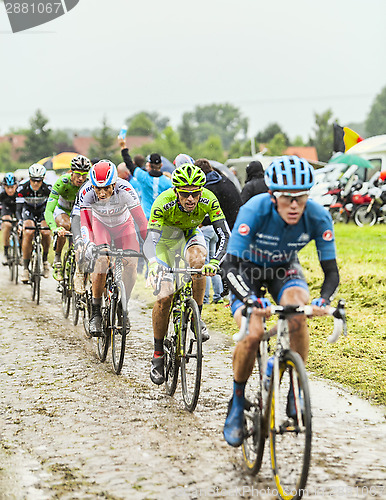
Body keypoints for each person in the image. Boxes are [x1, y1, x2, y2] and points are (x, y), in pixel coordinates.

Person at [222, 156, 339, 447]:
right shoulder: (254, 209)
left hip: (283, 270)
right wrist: (249, 299)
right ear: (273, 196)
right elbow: (230, 265)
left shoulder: (318, 216)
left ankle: (294, 389)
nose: (295, 205)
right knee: (253, 334)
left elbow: (331, 272)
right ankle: (237, 401)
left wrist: (323, 300)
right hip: (245, 270)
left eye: (301, 197)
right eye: (287, 198)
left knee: (298, 311)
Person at [143, 163, 230, 385]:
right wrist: (154, 264)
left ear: (201, 191)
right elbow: (151, 240)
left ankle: (196, 318)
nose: (191, 199)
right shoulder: (163, 202)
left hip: (191, 234)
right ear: (176, 192)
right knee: (165, 296)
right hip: (165, 241)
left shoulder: (209, 199)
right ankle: (158, 354)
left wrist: (214, 261)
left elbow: (224, 235)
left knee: (199, 263)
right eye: (185, 194)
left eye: (195, 194)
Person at [79, 160, 148, 337]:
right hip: (100, 225)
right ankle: (95, 312)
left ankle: (122, 306)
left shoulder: (126, 190)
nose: (101, 193)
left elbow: (141, 223)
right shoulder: (86, 191)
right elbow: (85, 223)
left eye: (106, 188)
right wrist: (88, 244)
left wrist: (150, 247)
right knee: (101, 260)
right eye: (98, 188)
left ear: (115, 184)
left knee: (131, 262)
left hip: (124, 227)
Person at [194, 158, 242, 304]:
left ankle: (216, 296)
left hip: (227, 225)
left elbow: (215, 213)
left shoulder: (209, 187)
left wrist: (202, 222)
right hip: (237, 222)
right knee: (222, 261)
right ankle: (224, 294)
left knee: (212, 262)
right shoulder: (221, 178)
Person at [44, 155, 91, 281]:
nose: (81, 178)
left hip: (79, 212)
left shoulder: (89, 183)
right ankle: (58, 259)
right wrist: (54, 228)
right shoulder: (62, 182)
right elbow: (49, 210)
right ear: (71, 172)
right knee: (65, 225)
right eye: (77, 174)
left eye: (84, 174)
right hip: (63, 210)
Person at [119, 139, 172, 219]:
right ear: (161, 165)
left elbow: (129, 164)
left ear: (149, 165)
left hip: (145, 219)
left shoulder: (143, 177)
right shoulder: (168, 182)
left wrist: (123, 147)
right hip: (161, 219)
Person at [16, 164, 52, 283]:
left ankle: (45, 260)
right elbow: (18, 208)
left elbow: (51, 208)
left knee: (46, 232)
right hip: (28, 211)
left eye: (39, 180)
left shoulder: (48, 188)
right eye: (33, 180)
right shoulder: (22, 188)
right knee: (28, 231)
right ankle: (25, 268)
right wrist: (20, 223)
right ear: (29, 178)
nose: (36, 183)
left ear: (43, 179)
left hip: (42, 211)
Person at [0, 173, 18, 265]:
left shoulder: (19, 193)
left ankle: (21, 252)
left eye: (12, 187)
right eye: (8, 187)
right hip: (6, 209)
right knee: (7, 225)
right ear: (4, 186)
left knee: (21, 227)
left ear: (16, 186)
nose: (10, 190)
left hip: (17, 209)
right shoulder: (1, 194)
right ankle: (6, 252)